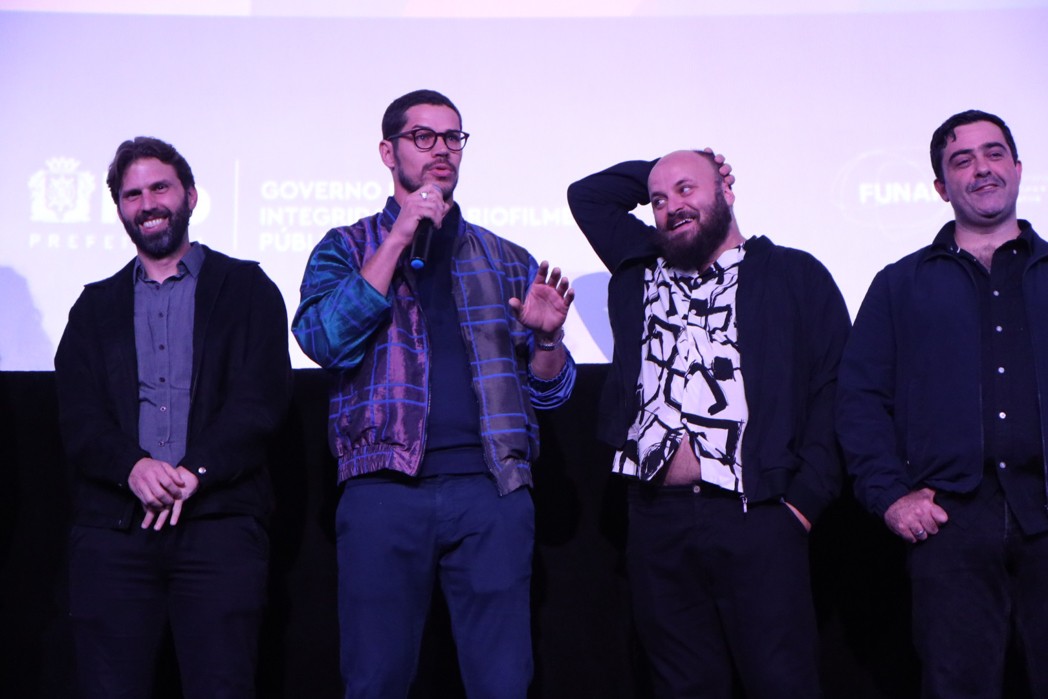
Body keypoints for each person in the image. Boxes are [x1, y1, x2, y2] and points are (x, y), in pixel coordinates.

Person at [292, 89, 576, 699]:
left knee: (503, 683)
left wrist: (547, 341)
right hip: (382, 488)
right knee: (375, 680)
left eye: (452, 138)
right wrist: (397, 238)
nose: (441, 150)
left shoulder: (505, 258)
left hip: (492, 491)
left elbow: (551, 393)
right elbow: (321, 339)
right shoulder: (345, 247)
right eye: (424, 137)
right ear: (387, 151)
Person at [567, 150, 849, 698]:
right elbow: (588, 196)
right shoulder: (640, 266)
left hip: (758, 516)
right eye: (658, 199)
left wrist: (802, 506)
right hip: (656, 519)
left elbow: (833, 391)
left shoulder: (793, 273)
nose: (672, 207)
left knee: (781, 684)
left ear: (726, 186)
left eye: (687, 189)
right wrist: (669, 166)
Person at [54, 137, 293, 699]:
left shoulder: (247, 290)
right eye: (132, 194)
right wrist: (132, 468)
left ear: (189, 194)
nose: (148, 203)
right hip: (115, 535)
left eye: (159, 187)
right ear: (120, 210)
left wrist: (196, 472)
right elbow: (78, 415)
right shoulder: (94, 307)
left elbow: (260, 400)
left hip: (219, 530)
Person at [837, 110, 1048, 698]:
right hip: (950, 524)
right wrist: (890, 496)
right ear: (939, 187)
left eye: (994, 153)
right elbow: (859, 403)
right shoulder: (898, 285)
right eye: (963, 160)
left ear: (1017, 168)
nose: (982, 168)